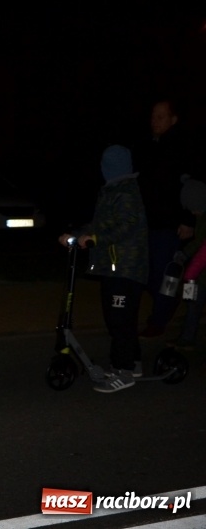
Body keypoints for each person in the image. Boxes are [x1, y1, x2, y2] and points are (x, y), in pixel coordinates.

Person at [58, 145, 148, 392]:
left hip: (127, 267)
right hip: (112, 267)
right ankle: (133, 363)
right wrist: (75, 234)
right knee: (120, 319)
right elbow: (98, 224)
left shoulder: (126, 193)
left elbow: (126, 226)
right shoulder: (110, 191)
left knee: (120, 320)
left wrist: (96, 239)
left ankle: (123, 372)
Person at [134, 99, 195, 338]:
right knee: (148, 274)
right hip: (149, 223)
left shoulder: (182, 147)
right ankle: (168, 304)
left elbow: (192, 186)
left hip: (171, 225)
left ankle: (158, 320)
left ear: (173, 119)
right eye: (153, 116)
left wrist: (188, 220)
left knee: (166, 274)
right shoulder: (150, 146)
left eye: (161, 116)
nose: (155, 121)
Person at [169, 179, 206, 350]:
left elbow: (202, 248)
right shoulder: (201, 215)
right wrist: (185, 254)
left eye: (193, 207)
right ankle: (187, 337)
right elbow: (198, 241)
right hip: (199, 274)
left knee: (193, 303)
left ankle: (187, 338)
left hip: (199, 274)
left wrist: (188, 271)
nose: (192, 212)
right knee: (192, 304)